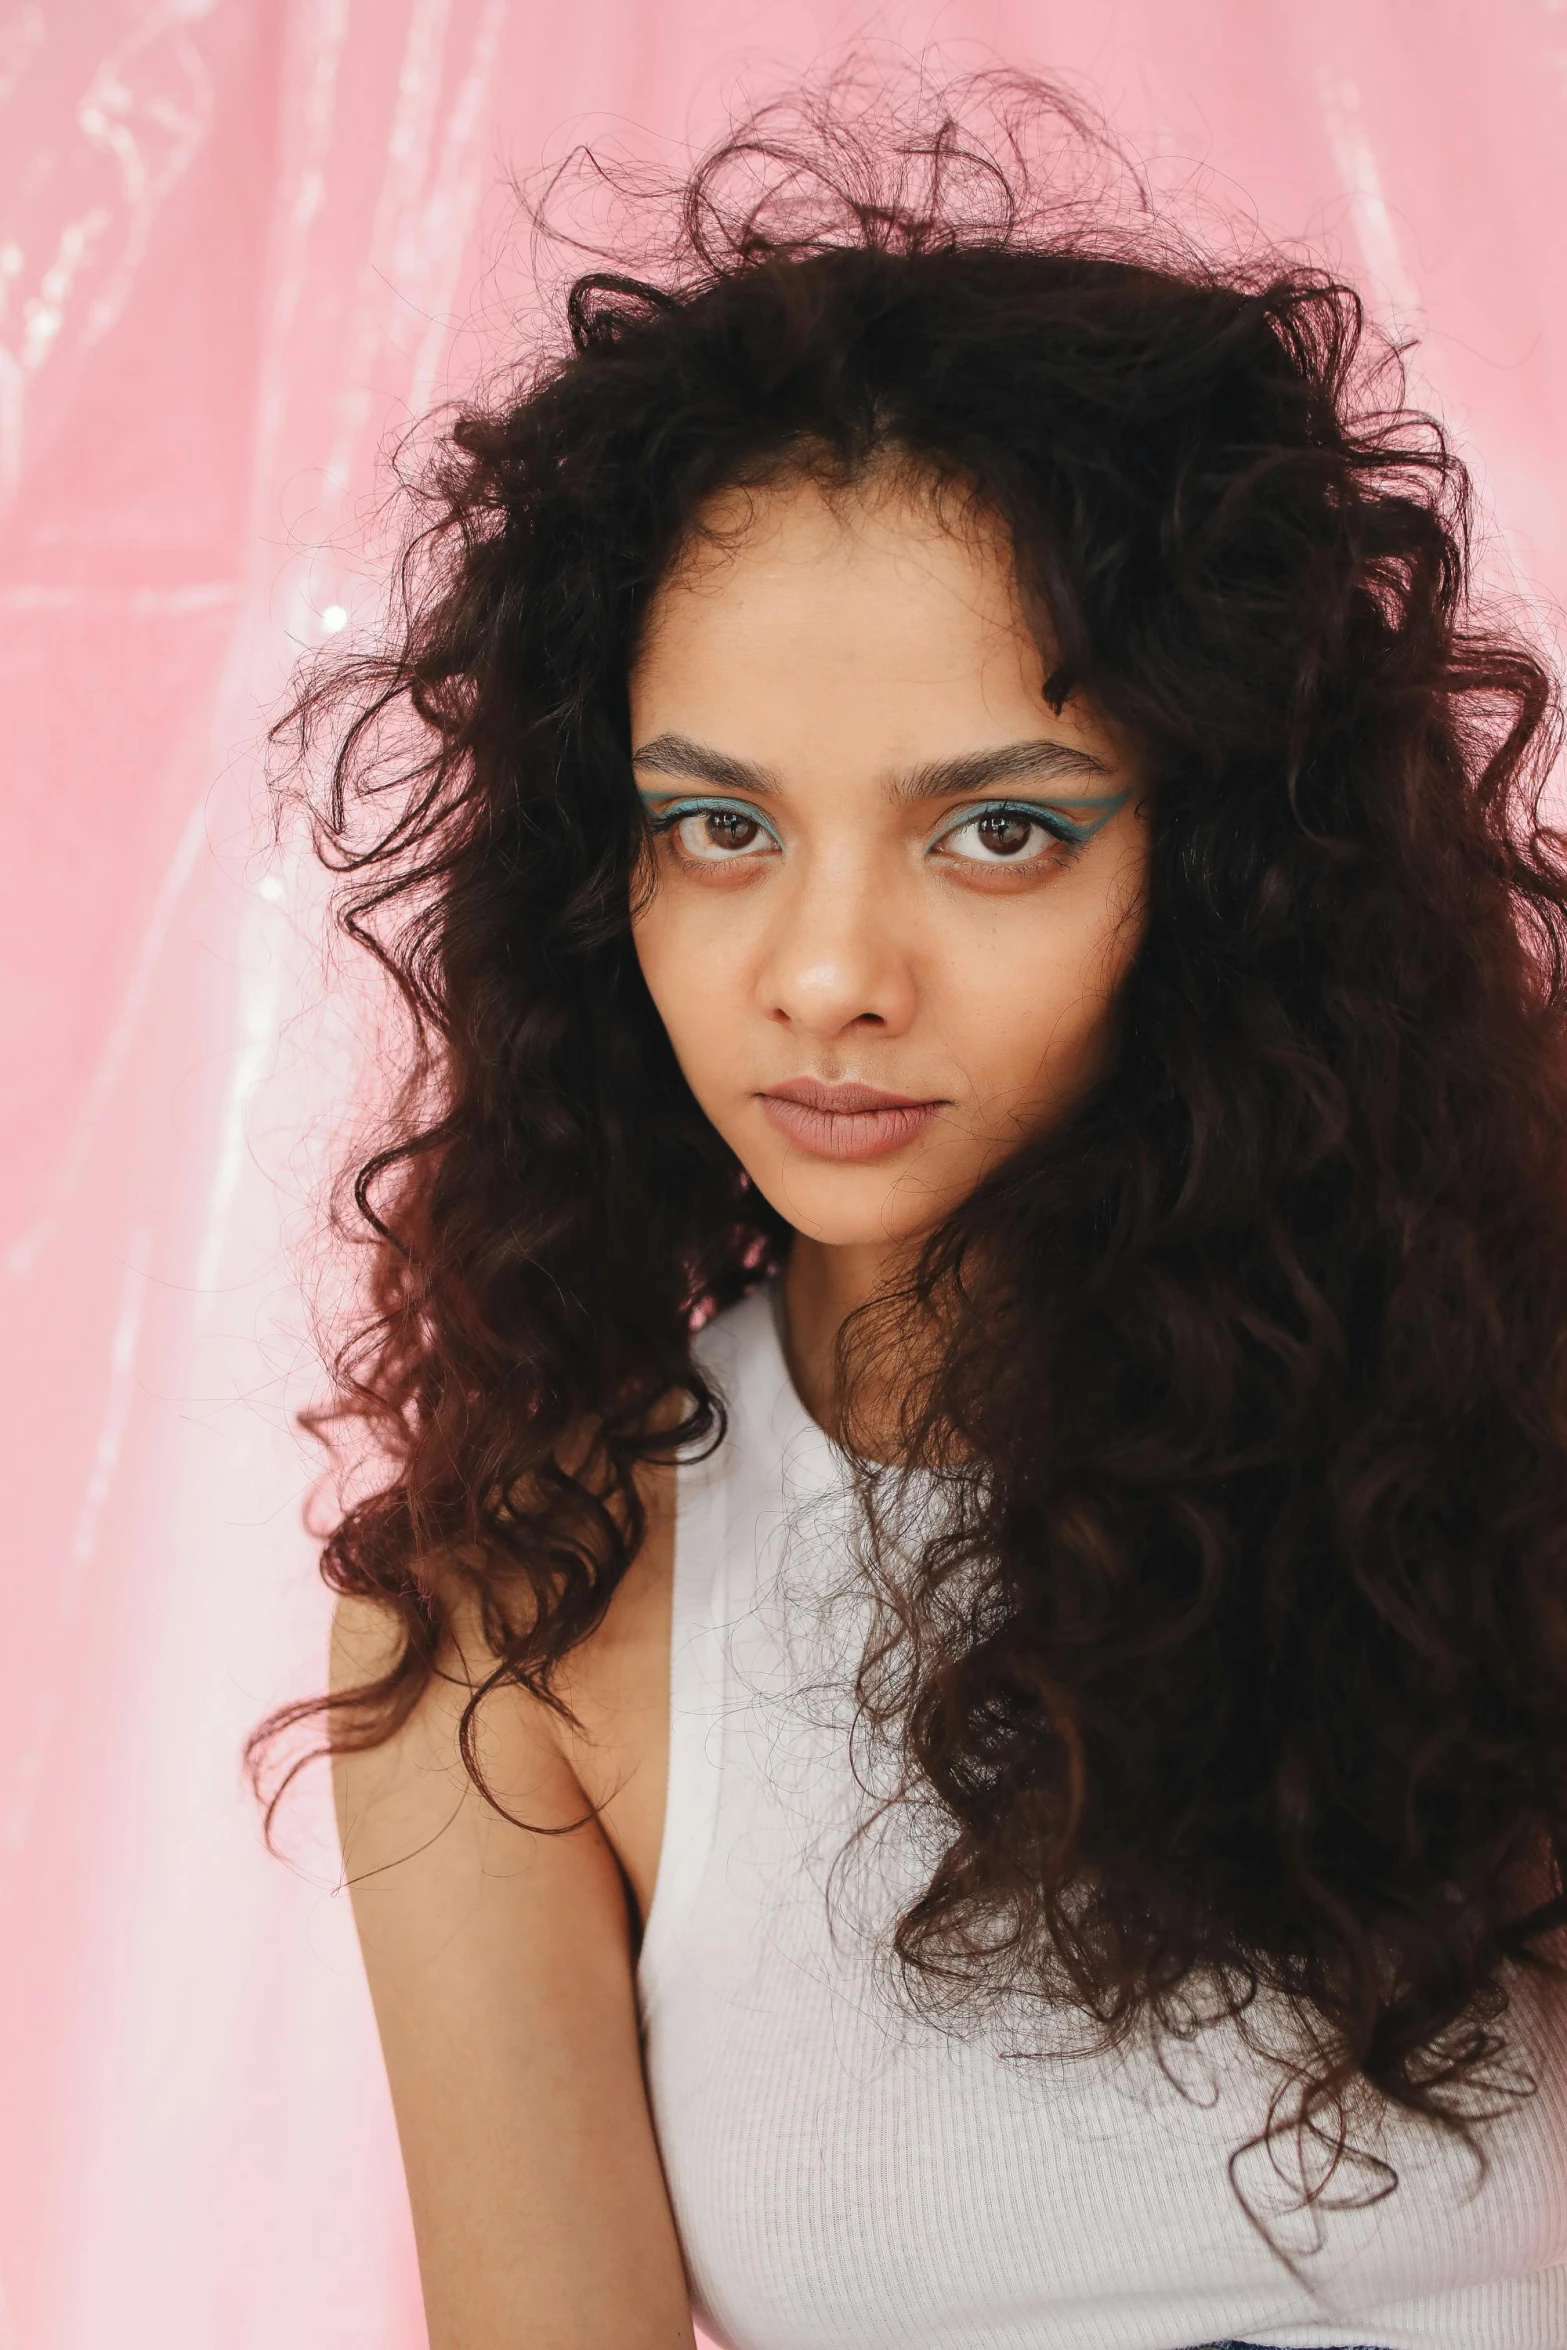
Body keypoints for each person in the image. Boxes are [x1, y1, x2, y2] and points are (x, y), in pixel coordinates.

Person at [252, 74, 1567, 2350]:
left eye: (1000, 832)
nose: (830, 972)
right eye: (722, 826)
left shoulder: (1519, 1470)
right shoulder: (515, 1635)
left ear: (1238, 867)